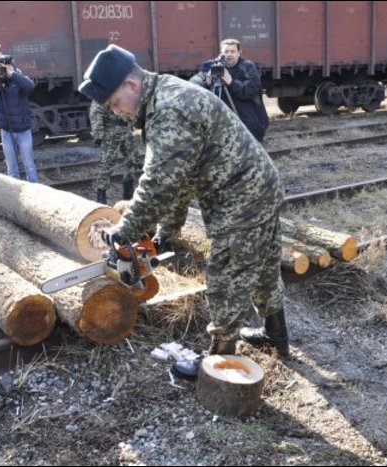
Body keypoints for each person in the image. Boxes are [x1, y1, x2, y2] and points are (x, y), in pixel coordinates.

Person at [79, 44, 288, 380]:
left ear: (131, 86)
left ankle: (219, 361)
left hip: (242, 196)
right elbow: (180, 180)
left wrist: (126, 231)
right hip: (253, 187)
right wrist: (165, 233)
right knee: (263, 265)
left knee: (225, 276)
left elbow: (159, 182)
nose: (118, 113)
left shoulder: (169, 109)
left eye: (116, 104)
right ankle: (276, 336)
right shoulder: (162, 97)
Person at [189, 38, 269, 142]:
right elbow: (193, 84)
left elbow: (250, 91)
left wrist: (231, 81)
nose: (229, 54)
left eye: (232, 51)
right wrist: (207, 82)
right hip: (224, 112)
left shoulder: (247, 67)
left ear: (239, 53)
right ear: (221, 53)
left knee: (250, 134)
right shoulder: (215, 66)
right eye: (226, 51)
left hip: (246, 112)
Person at [89, 101, 141, 204]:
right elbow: (96, 112)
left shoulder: (121, 90)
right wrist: (98, 134)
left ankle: (128, 194)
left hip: (127, 131)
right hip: (111, 132)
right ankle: (101, 195)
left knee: (132, 160)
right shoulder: (103, 93)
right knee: (107, 163)